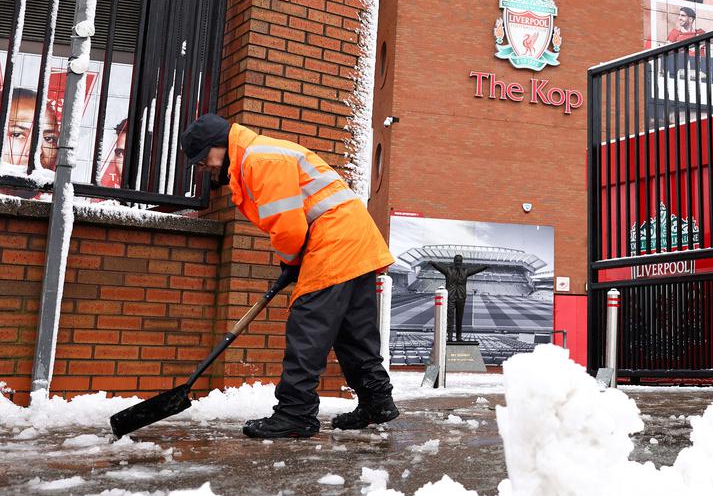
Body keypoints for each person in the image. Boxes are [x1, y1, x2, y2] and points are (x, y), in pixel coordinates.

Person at [181, 113, 398, 438]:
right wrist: (293, 262)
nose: (204, 168)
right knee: (353, 331)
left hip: (334, 240)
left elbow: (289, 227)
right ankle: (376, 401)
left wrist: (290, 261)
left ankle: (295, 413)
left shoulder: (258, 160)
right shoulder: (259, 155)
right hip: (356, 240)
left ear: (218, 145)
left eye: (202, 160)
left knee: (307, 327)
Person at [429, 255, 489, 342]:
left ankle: (458, 337)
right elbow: (439, 267)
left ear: (461, 262)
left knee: (459, 318)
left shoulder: (465, 271)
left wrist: (484, 267)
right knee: (450, 318)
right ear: (454, 261)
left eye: (459, 261)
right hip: (450, 297)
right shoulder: (448, 270)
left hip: (461, 297)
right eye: (457, 261)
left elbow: (476, 270)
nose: (458, 262)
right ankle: (449, 337)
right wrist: (433, 263)